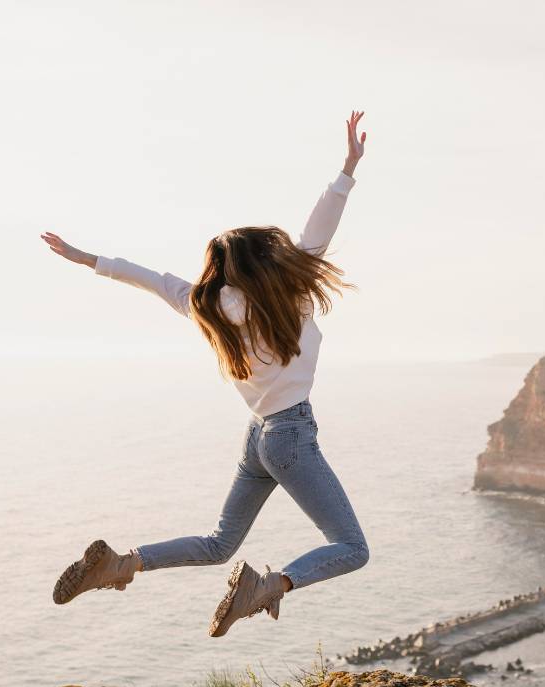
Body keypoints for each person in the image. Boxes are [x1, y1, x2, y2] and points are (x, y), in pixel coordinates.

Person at [40, 111, 369, 637]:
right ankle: (270, 587)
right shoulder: (291, 294)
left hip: (259, 437)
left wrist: (87, 259)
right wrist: (347, 170)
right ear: (269, 261)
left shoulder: (206, 307)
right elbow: (318, 230)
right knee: (352, 548)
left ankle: (120, 564)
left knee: (220, 544)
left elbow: (149, 278)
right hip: (289, 435)